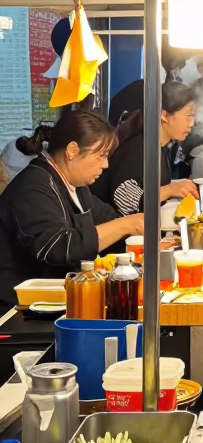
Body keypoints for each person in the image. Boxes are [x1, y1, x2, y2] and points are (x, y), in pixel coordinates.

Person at [0, 111, 144, 310]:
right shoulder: (32, 188)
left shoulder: (76, 187)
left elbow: (106, 220)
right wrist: (125, 225)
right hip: (20, 313)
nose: (106, 164)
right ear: (73, 151)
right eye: (101, 155)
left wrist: (136, 234)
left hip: (59, 303)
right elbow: (58, 247)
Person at [95, 81, 199, 215]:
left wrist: (179, 185)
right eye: (188, 115)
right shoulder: (138, 147)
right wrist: (169, 190)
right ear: (164, 115)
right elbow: (124, 201)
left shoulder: (157, 147)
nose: (192, 123)